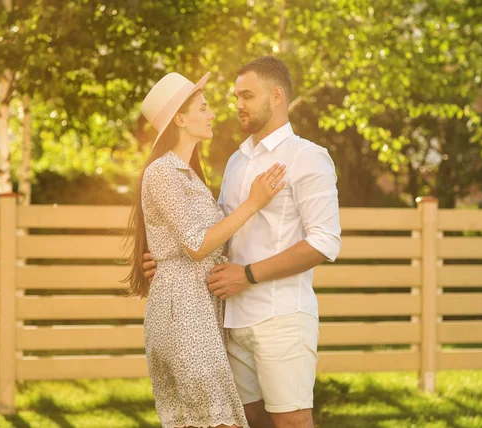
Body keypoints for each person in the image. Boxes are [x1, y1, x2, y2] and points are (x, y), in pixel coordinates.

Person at [143, 57, 342, 428]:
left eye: (247, 96)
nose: (236, 105)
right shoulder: (236, 161)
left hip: (281, 315)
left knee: (292, 422)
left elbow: (324, 242)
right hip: (229, 320)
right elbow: (215, 234)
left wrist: (247, 275)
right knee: (252, 421)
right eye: (235, 96)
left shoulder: (308, 157)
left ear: (277, 96)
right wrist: (165, 261)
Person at [125, 70, 287, 428]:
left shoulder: (189, 176)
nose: (213, 113)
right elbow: (198, 244)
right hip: (182, 313)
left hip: (198, 310)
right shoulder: (163, 173)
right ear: (180, 119)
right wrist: (253, 203)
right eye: (204, 106)